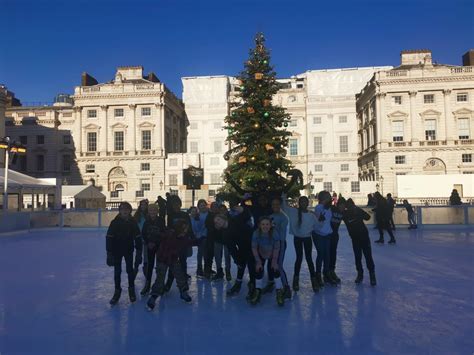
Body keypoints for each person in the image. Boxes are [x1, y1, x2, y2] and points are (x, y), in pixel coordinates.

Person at [146, 219, 201, 311]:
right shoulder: (169, 234)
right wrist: (152, 237)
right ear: (179, 229)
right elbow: (158, 235)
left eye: (186, 229)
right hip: (162, 259)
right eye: (184, 229)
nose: (186, 231)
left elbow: (190, 242)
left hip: (173, 259)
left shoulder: (183, 238)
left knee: (180, 275)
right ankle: (153, 297)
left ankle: (183, 292)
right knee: (160, 278)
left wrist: (200, 241)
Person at [106, 202, 142, 305]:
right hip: (116, 250)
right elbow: (109, 237)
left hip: (128, 250)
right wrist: (109, 252)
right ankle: (117, 291)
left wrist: (139, 251)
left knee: (130, 270)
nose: (125, 211)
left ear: (130, 211)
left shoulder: (133, 222)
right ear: (120, 211)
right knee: (117, 272)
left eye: (127, 209)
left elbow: (137, 237)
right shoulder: (114, 222)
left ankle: (131, 290)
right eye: (122, 209)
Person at [215, 207, 255, 299]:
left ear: (223, 218)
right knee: (241, 266)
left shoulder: (235, 220)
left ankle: (253, 286)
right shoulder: (225, 234)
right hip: (243, 247)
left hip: (253, 243)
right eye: (216, 222)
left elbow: (246, 215)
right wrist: (238, 261)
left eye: (218, 219)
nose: (217, 222)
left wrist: (243, 209)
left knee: (251, 265)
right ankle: (238, 284)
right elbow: (232, 249)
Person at [281, 193, 318, 293]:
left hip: (307, 239)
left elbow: (318, 225)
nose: (303, 203)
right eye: (301, 202)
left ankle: (313, 280)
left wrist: (320, 218)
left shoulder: (311, 215)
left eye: (305, 202)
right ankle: (295, 280)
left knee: (309, 258)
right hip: (298, 238)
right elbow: (284, 207)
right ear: (299, 203)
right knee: (299, 258)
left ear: (307, 203)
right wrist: (283, 197)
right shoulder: (294, 212)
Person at [250, 217, 284, 306]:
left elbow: (277, 248)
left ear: (270, 225)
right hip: (261, 253)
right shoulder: (256, 233)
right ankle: (258, 290)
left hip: (273, 253)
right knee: (258, 269)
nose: (265, 226)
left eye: (267, 224)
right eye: (263, 224)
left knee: (274, 269)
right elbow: (254, 247)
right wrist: (258, 261)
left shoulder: (275, 233)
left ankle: (279, 290)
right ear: (259, 225)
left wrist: (274, 261)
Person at [341, 199, 376, 286]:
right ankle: (360, 274)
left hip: (364, 237)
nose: (350, 208)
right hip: (355, 238)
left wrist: (359, 211)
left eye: (352, 206)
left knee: (368, 256)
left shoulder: (357, 211)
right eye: (348, 206)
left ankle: (372, 275)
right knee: (358, 257)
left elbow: (368, 217)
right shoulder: (345, 214)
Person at [165, 196, 195, 290]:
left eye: (177, 204)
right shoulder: (171, 216)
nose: (176, 206)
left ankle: (184, 282)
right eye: (174, 204)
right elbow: (169, 228)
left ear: (180, 205)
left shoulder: (185, 215)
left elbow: (189, 227)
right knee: (173, 262)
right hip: (174, 242)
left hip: (183, 241)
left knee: (183, 262)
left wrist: (192, 238)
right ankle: (168, 284)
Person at [140, 204, 166, 295]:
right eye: (151, 210)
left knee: (159, 266)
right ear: (148, 212)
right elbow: (143, 233)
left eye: (154, 210)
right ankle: (147, 285)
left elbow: (163, 232)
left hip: (159, 247)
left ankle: (160, 285)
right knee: (149, 266)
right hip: (150, 247)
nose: (152, 212)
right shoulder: (146, 222)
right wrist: (148, 242)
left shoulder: (161, 220)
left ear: (157, 211)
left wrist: (156, 242)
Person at [270, 197, 291, 299]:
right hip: (271, 244)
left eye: (277, 204)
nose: (275, 206)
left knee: (278, 265)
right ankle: (275, 284)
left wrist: (273, 228)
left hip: (280, 244)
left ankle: (286, 287)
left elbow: (281, 234)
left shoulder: (284, 217)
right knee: (273, 265)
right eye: (273, 204)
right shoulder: (270, 216)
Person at [313, 191, 335, 289]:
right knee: (321, 254)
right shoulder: (319, 207)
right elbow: (319, 218)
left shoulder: (329, 208)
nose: (330, 198)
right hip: (319, 234)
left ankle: (326, 274)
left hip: (327, 234)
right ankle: (318, 275)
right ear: (323, 198)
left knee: (327, 255)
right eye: (328, 197)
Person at [328, 197, 345, 284]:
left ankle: (332, 271)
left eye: (344, 206)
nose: (342, 207)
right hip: (327, 235)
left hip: (335, 236)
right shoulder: (332, 209)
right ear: (338, 205)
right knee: (327, 254)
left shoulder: (344, 213)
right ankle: (326, 273)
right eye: (341, 205)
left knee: (333, 253)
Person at [194, 200, 210, 278]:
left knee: (207, 253)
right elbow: (195, 227)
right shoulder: (197, 215)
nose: (203, 206)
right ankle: (200, 269)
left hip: (208, 236)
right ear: (198, 206)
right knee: (201, 253)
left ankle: (206, 268)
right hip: (201, 237)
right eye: (201, 205)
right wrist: (198, 235)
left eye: (204, 205)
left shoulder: (209, 214)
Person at [133, 199, 149, 277]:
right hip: (138, 238)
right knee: (138, 255)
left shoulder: (149, 215)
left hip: (146, 239)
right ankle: (135, 270)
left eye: (145, 205)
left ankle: (146, 271)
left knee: (146, 256)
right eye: (142, 205)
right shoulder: (136, 215)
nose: (143, 206)